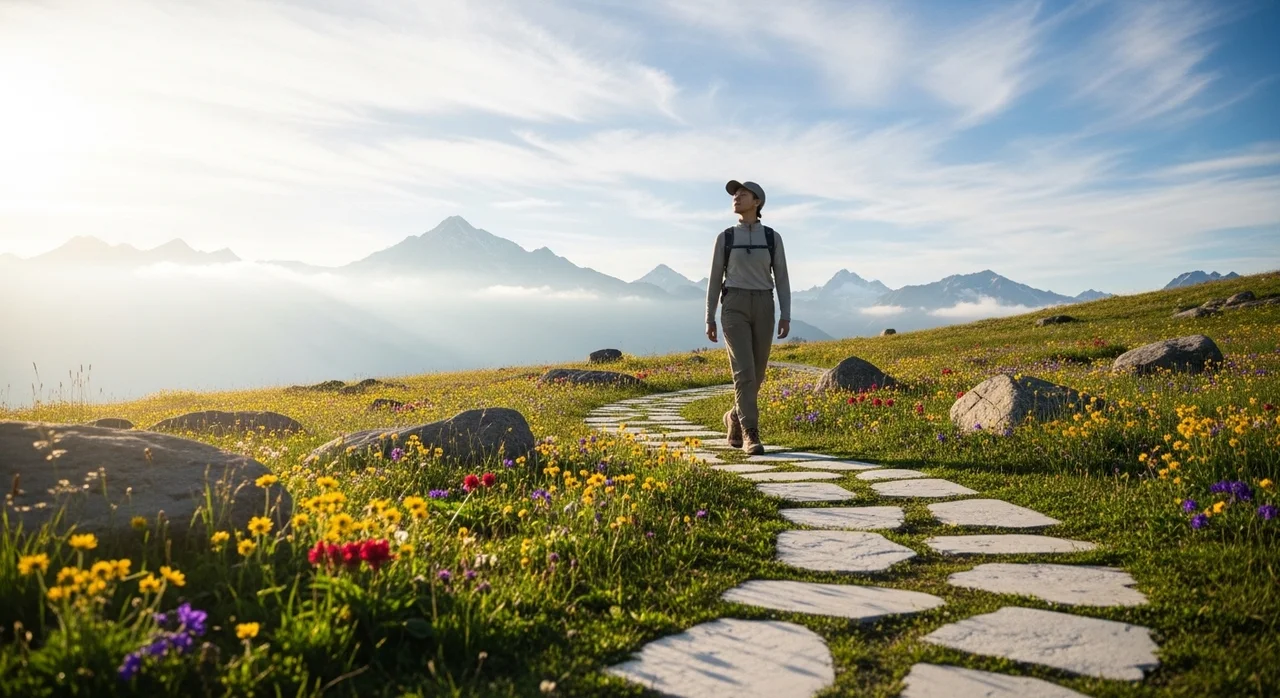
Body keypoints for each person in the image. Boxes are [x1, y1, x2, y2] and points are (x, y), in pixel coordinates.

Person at [705, 180, 791, 455]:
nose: (737, 197)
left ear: (757, 202)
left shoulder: (772, 238)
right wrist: (709, 316)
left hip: (765, 303)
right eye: (735, 194)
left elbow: (782, 278)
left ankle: (734, 415)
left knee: (758, 373)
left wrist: (786, 314)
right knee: (743, 372)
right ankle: (750, 433)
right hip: (734, 305)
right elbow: (714, 279)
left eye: (743, 194)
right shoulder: (726, 237)